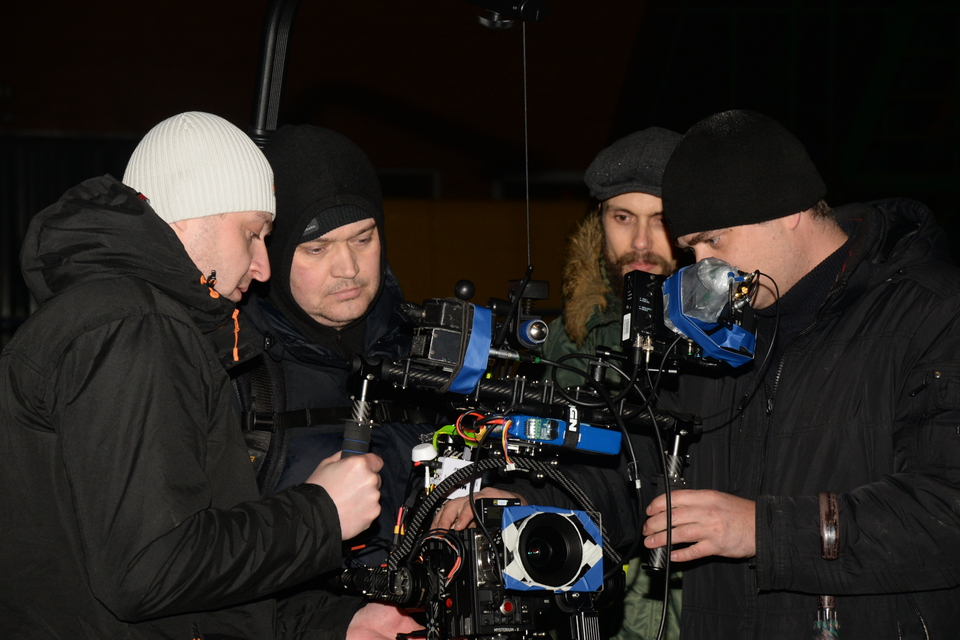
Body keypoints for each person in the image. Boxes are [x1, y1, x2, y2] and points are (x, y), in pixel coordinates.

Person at [0, 112, 416, 639]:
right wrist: (321, 513)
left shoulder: (133, 320)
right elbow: (149, 570)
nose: (263, 266)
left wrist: (337, 624)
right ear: (188, 218)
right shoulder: (135, 326)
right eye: (253, 234)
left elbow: (193, 584)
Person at [233, 124, 436, 564]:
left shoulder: (431, 355)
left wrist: (497, 496)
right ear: (271, 251)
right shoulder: (234, 370)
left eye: (363, 239)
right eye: (317, 248)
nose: (348, 267)